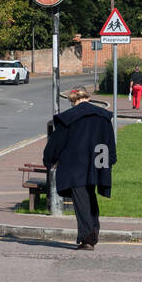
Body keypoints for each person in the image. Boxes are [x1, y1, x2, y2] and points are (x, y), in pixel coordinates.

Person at [43, 87, 118, 250]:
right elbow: (110, 141)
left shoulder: (68, 118)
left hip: (75, 163)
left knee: (81, 199)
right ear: (88, 98)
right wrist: (110, 160)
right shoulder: (103, 116)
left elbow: (55, 143)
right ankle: (93, 232)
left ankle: (87, 237)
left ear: (72, 100)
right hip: (98, 161)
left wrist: (49, 160)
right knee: (90, 197)